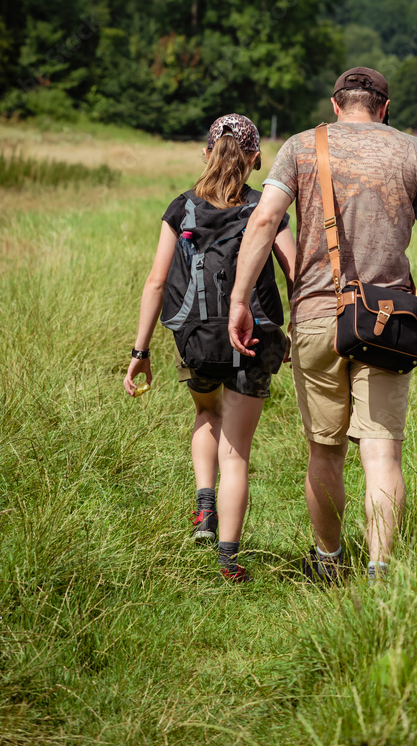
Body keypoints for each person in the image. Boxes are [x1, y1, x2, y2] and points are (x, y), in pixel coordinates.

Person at [228, 68, 417, 584]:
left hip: (317, 317)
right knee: (382, 453)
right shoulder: (414, 152)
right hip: (388, 323)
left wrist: (239, 298)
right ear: (384, 107)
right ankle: (381, 572)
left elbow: (265, 221)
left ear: (336, 106)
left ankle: (330, 563)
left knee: (325, 449)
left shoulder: (299, 147)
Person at [124, 114, 296, 583]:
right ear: (256, 158)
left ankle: (204, 509)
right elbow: (297, 273)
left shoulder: (182, 208)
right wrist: (305, 331)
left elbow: (157, 281)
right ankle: (228, 562)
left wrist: (140, 353)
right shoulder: (267, 207)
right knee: (236, 453)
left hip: (195, 340)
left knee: (206, 415)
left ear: (206, 152)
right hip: (255, 338)